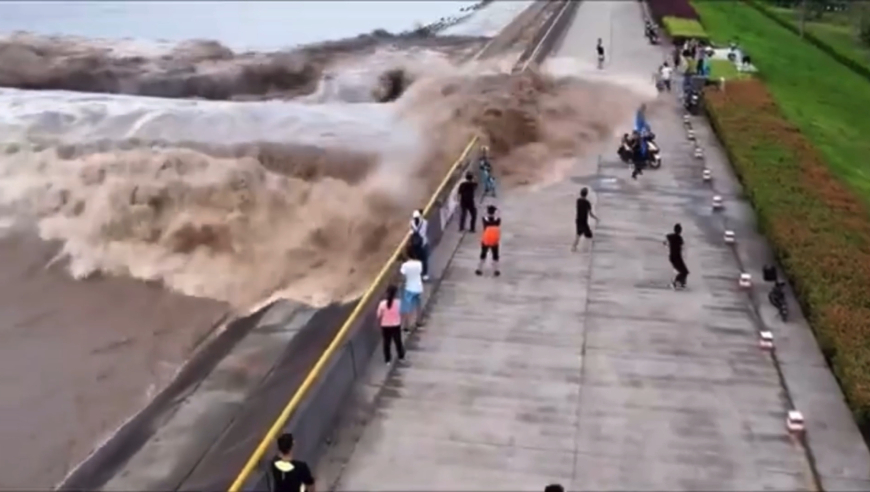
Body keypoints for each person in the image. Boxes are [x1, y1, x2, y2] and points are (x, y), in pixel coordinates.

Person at [376, 285, 405, 365]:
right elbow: (401, 313)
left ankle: (387, 359)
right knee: (398, 341)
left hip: (385, 325)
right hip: (396, 325)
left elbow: (379, 315)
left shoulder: (382, 304)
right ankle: (401, 356)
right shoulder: (398, 303)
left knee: (386, 343)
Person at [399, 250, 424, 329]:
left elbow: (402, 276)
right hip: (418, 287)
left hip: (409, 287)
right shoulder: (419, 263)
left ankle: (407, 325)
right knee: (418, 305)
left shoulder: (405, 265)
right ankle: (419, 321)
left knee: (407, 306)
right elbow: (420, 272)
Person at [476, 205, 501, 277]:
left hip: (486, 239)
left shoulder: (484, 219)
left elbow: (485, 222)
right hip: (494, 240)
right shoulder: (498, 220)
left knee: (483, 254)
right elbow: (498, 223)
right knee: (495, 255)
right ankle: (496, 270)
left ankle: (479, 269)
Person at [572, 187, 599, 252]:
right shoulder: (587, 203)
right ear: (586, 194)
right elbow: (590, 214)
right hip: (584, 221)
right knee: (589, 236)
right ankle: (588, 250)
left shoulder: (578, 201)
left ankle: (574, 247)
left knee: (578, 235)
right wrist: (596, 218)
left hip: (578, 220)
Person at [664, 223, 689, 289]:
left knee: (684, 272)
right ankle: (676, 283)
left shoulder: (671, 237)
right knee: (684, 272)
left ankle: (681, 283)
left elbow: (665, 241)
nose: (680, 231)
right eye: (679, 229)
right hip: (676, 257)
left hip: (674, 257)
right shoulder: (678, 238)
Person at [410, 209, 430, 281]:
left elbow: (411, 232)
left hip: (415, 244)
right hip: (423, 243)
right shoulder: (425, 222)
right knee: (424, 260)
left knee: (417, 260)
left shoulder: (411, 223)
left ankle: (419, 274)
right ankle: (424, 274)